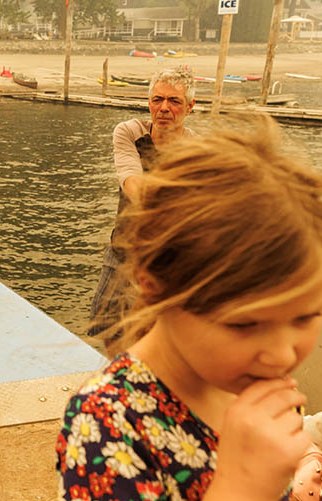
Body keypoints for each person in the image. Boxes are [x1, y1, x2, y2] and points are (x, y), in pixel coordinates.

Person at [57, 118, 322, 501]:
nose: (283, 355)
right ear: (155, 284)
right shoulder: (108, 425)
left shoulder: (246, 378)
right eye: (244, 324)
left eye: (306, 317)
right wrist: (244, 489)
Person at [87, 66, 197, 348]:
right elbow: (131, 181)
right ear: (148, 102)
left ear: (190, 107)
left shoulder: (199, 151)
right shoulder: (129, 133)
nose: (164, 108)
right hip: (123, 249)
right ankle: (118, 378)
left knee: (151, 337)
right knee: (105, 327)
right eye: (157, 99)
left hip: (165, 262)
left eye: (174, 101)